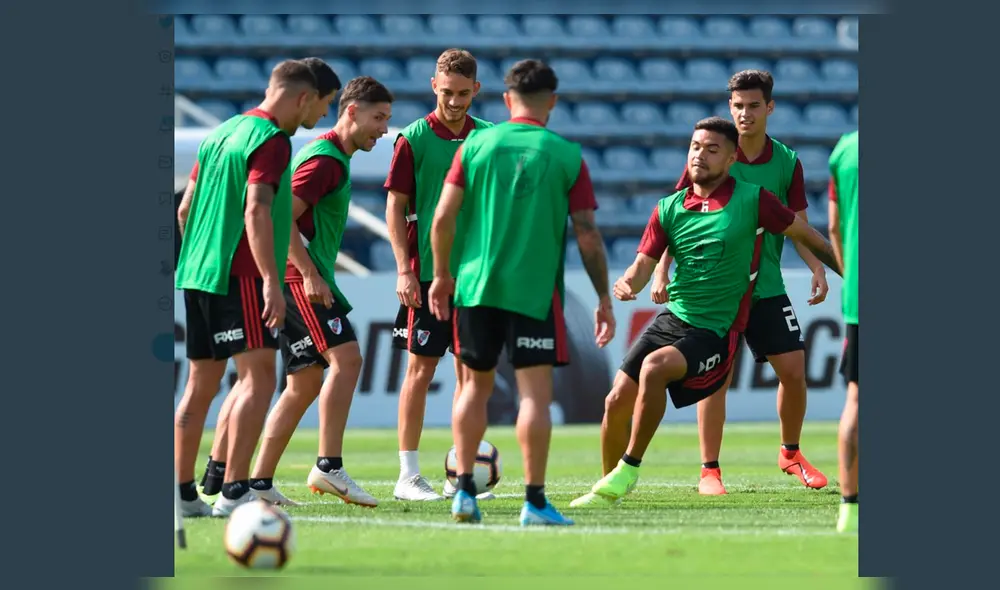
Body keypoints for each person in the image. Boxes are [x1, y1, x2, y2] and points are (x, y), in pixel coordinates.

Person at [579, 69, 830, 502]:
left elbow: (800, 228)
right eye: (738, 106)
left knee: (792, 370)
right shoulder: (696, 173)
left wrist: (821, 268)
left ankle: (790, 452)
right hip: (697, 301)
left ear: (768, 109)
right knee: (683, 385)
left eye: (753, 106)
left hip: (762, 285)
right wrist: (652, 274)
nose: (745, 113)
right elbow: (675, 224)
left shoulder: (782, 164)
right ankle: (705, 470)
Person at [428, 59, 616, 526]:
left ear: (506, 98)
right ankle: (533, 502)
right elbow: (588, 234)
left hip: (475, 286)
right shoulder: (566, 154)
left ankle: (464, 492)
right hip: (533, 292)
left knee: (473, 387)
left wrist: (441, 275)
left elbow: (443, 218)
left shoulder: (475, 145)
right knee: (534, 394)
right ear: (551, 101)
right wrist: (603, 298)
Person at [174, 58, 334, 518]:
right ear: (302, 97)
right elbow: (257, 210)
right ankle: (234, 491)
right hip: (238, 273)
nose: (319, 116)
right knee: (259, 378)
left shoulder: (220, 133)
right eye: (320, 105)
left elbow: (185, 210)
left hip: (197, 272)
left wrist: (203, 255)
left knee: (200, 385)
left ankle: (183, 495)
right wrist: (269, 280)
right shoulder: (272, 140)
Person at [237, 76, 395, 509]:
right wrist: (308, 273)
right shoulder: (325, 160)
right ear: (351, 111)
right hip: (295, 279)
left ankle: (259, 482)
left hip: (296, 276)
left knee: (303, 384)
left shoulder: (331, 158)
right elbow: (281, 217)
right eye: (378, 118)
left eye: (387, 120)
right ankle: (328, 466)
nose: (383, 130)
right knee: (347, 359)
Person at [383, 49, 494, 502]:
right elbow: (395, 206)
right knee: (419, 371)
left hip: (476, 278)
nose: (454, 101)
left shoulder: (489, 137)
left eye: (463, 94)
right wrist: (402, 269)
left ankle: (461, 472)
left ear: (477, 91)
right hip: (427, 274)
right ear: (434, 86)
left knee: (471, 374)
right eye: (447, 92)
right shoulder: (412, 138)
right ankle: (408, 475)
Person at [827, 130, 859, 533]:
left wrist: (851, 276)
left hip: (860, 293)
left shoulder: (845, 149)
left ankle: (850, 510)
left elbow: (834, 227)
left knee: (857, 398)